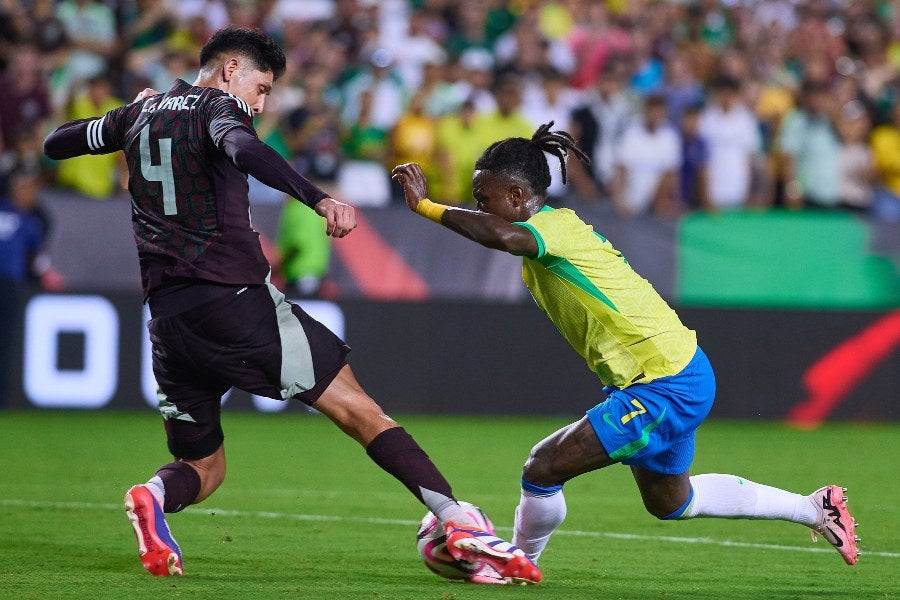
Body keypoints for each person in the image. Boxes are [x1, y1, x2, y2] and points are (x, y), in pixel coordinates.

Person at [42, 27, 540, 585]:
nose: (261, 101)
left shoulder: (140, 113)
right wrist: (318, 196)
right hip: (234, 301)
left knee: (203, 467)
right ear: (230, 69)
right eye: (262, 85)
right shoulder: (219, 109)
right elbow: (243, 148)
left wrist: (125, 115)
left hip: (168, 320)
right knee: (360, 410)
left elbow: (56, 143)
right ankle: (459, 520)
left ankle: (152, 495)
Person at [391, 122, 861, 577]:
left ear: (517, 196)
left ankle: (514, 563)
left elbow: (502, 235)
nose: (480, 210)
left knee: (543, 467)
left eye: (483, 200)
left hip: (663, 381)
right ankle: (813, 508)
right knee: (671, 502)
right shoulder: (550, 236)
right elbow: (507, 237)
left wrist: (426, 207)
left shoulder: (552, 229)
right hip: (676, 371)